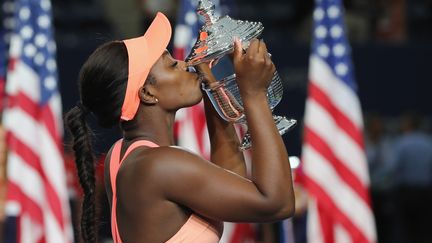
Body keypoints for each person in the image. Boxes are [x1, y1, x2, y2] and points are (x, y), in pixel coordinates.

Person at [65, 12, 295, 243]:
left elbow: (229, 178)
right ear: (147, 93)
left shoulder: (124, 155)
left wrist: (211, 86)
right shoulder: (158, 165)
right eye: (172, 65)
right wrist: (254, 94)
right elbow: (277, 204)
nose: (185, 64)